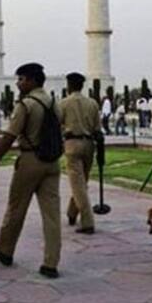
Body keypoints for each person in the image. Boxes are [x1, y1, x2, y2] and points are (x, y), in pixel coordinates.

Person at [0, 63, 62, 279]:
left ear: (33, 81)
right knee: (52, 216)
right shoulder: (54, 103)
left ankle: (5, 250)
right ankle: (50, 263)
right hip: (52, 162)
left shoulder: (27, 104)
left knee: (16, 208)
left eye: (21, 79)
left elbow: (9, 137)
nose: (18, 83)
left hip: (30, 161)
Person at [59, 72, 101, 234]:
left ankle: (87, 221)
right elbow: (98, 129)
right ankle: (72, 212)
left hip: (71, 144)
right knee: (81, 183)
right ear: (82, 86)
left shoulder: (64, 103)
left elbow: (56, 125)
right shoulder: (92, 103)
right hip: (89, 144)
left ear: (69, 85)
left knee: (78, 185)